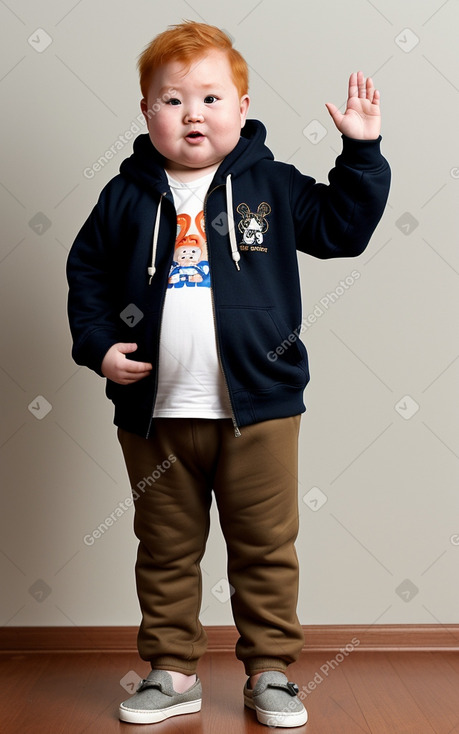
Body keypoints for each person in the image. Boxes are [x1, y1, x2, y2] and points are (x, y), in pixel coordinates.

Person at [66, 20, 390, 728]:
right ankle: (172, 672)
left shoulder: (268, 186)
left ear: (242, 109)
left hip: (262, 409)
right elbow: (85, 275)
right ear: (146, 111)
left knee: (265, 546)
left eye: (210, 98)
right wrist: (98, 349)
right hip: (155, 413)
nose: (192, 114)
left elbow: (341, 230)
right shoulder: (124, 197)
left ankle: (270, 673)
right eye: (171, 100)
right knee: (164, 547)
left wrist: (360, 152)